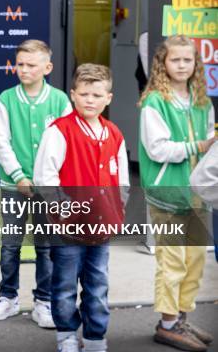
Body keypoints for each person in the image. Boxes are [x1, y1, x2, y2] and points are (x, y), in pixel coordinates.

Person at [34, 63, 130, 352]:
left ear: (109, 98)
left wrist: (119, 206)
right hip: (67, 228)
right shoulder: (59, 131)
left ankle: (95, 337)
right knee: (63, 286)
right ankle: (66, 336)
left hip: (101, 227)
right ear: (73, 95)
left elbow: (122, 178)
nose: (90, 100)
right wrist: (61, 208)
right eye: (84, 94)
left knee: (97, 286)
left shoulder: (114, 134)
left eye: (97, 95)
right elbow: (44, 175)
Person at [0, 39, 71, 327]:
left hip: (48, 187)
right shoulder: (5, 99)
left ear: (47, 67)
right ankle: (7, 297)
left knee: (46, 246)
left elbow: (64, 143)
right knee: (10, 244)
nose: (24, 69)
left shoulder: (60, 100)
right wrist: (18, 176)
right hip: (14, 186)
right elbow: (1, 142)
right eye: (20, 64)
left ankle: (44, 301)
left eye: (31, 65)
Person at [138, 35, 215, 352]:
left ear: (195, 63)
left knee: (195, 261)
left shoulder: (202, 100)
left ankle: (180, 318)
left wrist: (209, 146)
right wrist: (198, 146)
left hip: (197, 193)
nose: (182, 65)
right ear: (162, 63)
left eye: (188, 60)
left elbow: (212, 143)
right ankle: (167, 324)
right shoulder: (154, 102)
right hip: (167, 194)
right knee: (172, 263)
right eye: (175, 60)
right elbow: (157, 150)